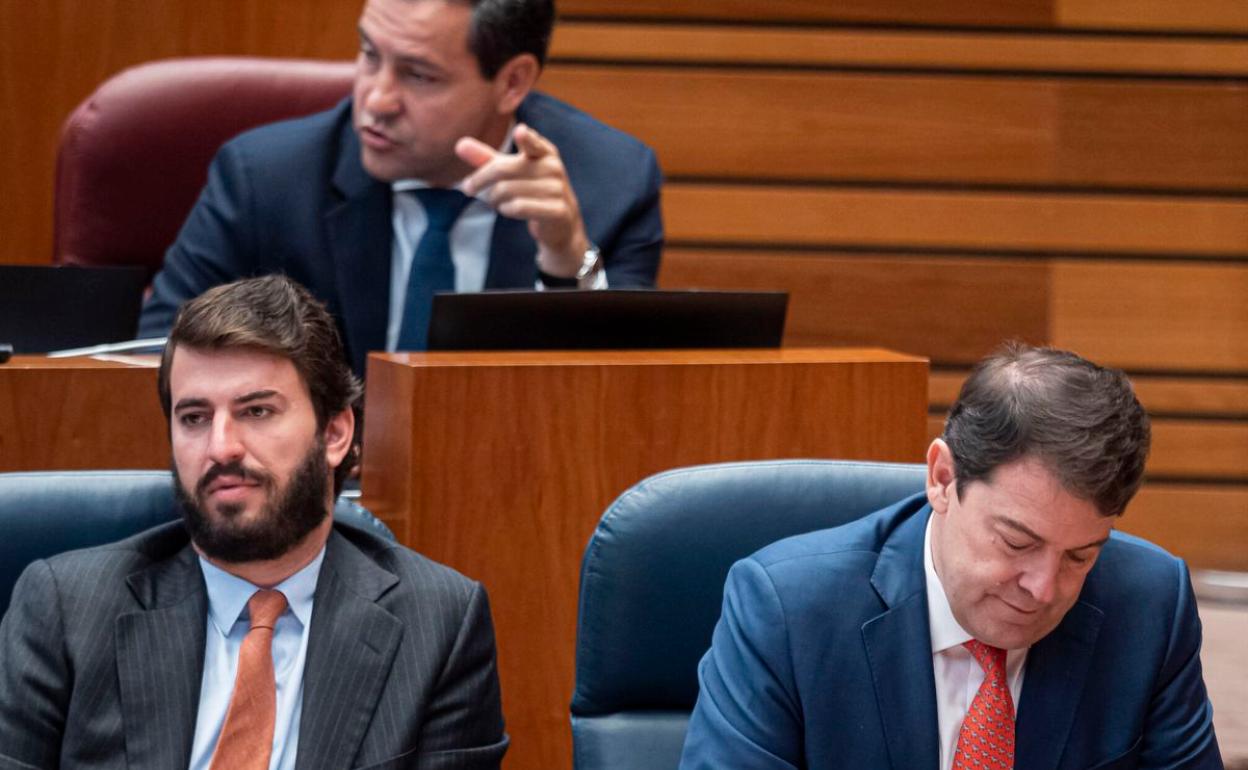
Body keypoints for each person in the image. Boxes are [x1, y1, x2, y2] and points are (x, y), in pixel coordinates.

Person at [0, 275, 508, 769]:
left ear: (334, 433)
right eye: (194, 417)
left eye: (257, 411)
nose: (221, 447)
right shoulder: (66, 611)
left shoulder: (438, 625)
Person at [680, 344, 1223, 769]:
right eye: (1017, 542)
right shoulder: (787, 611)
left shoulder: (1150, 604)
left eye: (1080, 557)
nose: (1043, 587)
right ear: (943, 479)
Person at [137, 0, 664, 376]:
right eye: (370, 55)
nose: (376, 100)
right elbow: (153, 357)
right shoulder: (265, 178)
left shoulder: (610, 184)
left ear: (512, 82)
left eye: (417, 75)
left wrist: (567, 260)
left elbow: (615, 407)